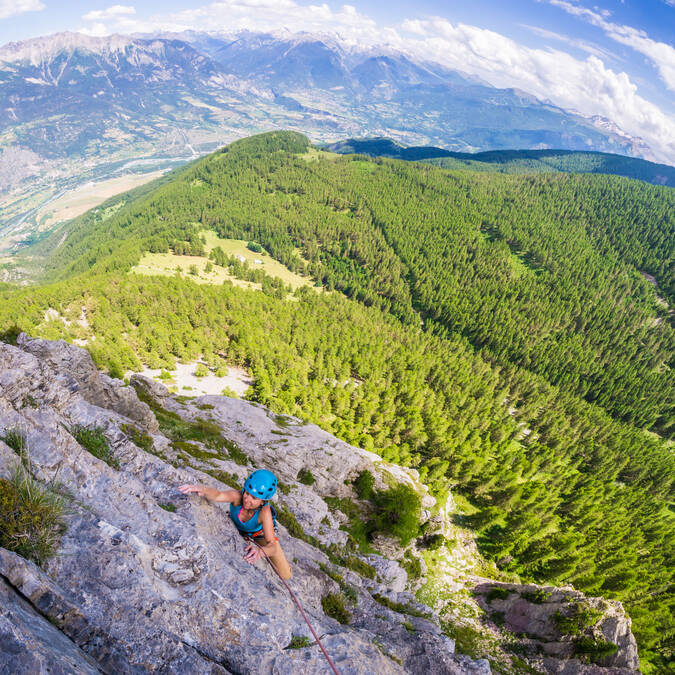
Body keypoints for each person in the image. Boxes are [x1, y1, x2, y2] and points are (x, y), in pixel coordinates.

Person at [178, 469, 292, 579]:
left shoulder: (264, 512)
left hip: (259, 535)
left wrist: (260, 552)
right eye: (247, 493)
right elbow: (218, 495)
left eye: (254, 498)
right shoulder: (237, 497)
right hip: (240, 530)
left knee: (285, 574)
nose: (247, 499)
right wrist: (202, 489)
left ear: (263, 501)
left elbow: (272, 545)